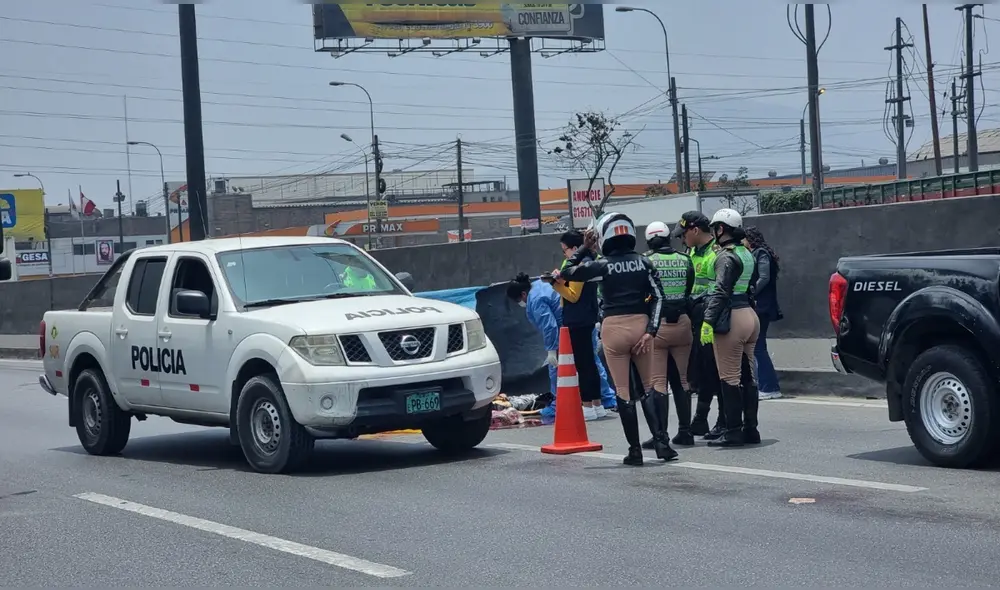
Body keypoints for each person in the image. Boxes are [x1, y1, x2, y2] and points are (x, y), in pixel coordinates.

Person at [555, 212, 673, 466]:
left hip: (614, 328)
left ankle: (635, 451)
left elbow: (568, 272)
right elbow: (659, 298)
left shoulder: (603, 265)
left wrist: (585, 247)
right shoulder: (644, 263)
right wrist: (650, 331)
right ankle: (662, 442)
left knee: (623, 391)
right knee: (649, 387)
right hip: (642, 326)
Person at [700, 208, 761, 447]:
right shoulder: (746, 253)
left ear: (721, 229)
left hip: (732, 318)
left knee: (729, 378)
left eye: (715, 228)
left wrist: (707, 320)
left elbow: (721, 291)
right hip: (749, 315)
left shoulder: (725, 256)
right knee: (748, 376)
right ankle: (751, 429)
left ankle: (733, 431)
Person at [545, 230, 617, 419]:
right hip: (586, 316)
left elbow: (573, 295)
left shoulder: (581, 265)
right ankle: (596, 404)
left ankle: (587, 406)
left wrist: (554, 283)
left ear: (575, 248)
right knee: (589, 362)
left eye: (565, 250)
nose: (564, 255)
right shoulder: (591, 261)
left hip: (578, 318)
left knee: (583, 364)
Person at [669, 211, 726, 440]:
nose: (682, 239)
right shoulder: (690, 252)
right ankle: (700, 420)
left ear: (694, 230)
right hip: (693, 316)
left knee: (716, 370)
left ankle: (722, 420)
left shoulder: (717, 253)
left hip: (712, 317)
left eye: (684, 234)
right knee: (700, 371)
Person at [640, 221, 696, 448]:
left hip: (658, 326)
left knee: (658, 382)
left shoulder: (646, 260)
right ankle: (686, 431)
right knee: (682, 380)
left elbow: (644, 293)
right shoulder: (685, 259)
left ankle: (660, 434)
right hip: (683, 324)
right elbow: (689, 287)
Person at [506, 272, 562, 424]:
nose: (521, 304)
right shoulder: (539, 285)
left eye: (519, 300)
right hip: (576, 324)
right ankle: (605, 399)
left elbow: (549, 326)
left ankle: (559, 406)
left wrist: (552, 350)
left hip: (565, 330)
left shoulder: (535, 299)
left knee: (555, 369)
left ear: (523, 294)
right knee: (590, 363)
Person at [744, 226, 783, 400]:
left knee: (758, 348)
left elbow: (764, 277)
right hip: (761, 306)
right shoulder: (759, 253)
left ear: (749, 239)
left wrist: (751, 291)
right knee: (758, 347)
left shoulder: (760, 254)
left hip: (762, 306)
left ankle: (769, 387)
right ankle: (767, 385)